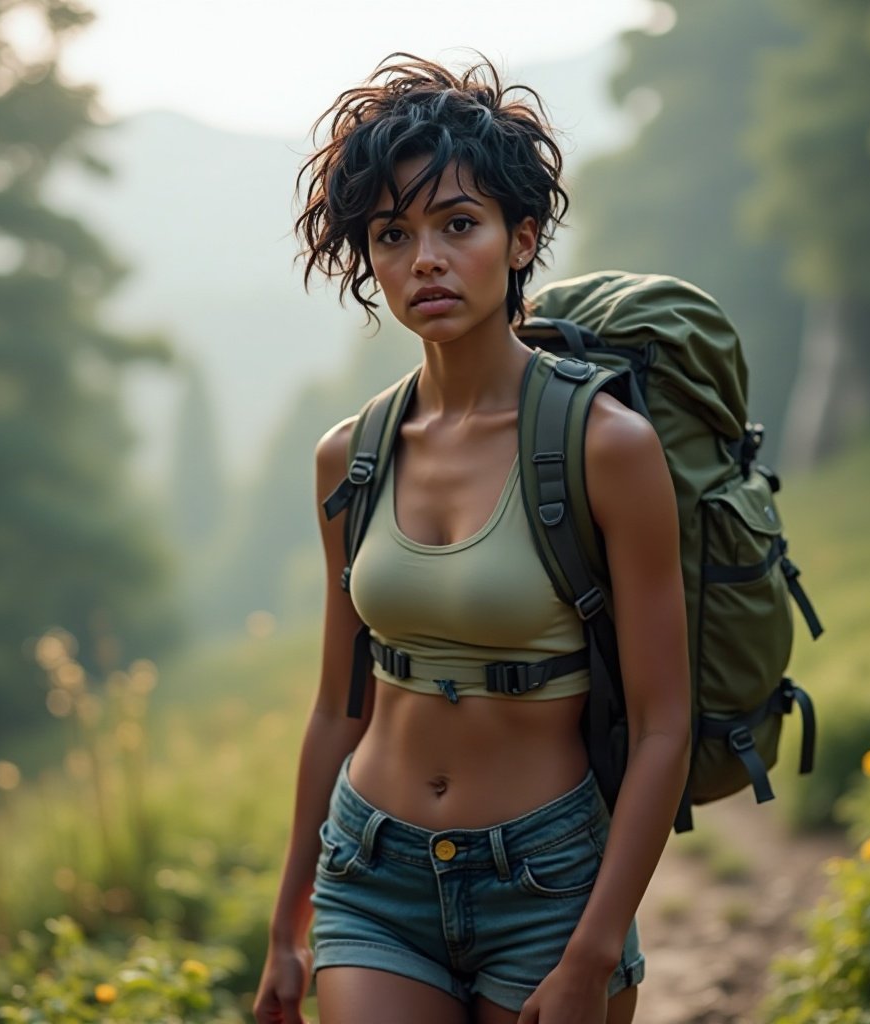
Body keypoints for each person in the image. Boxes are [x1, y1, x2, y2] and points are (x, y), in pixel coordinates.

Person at [254, 53, 691, 1024]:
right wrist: (287, 924)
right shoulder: (349, 458)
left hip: (547, 879)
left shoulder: (607, 446)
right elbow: (337, 707)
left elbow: (665, 722)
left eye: (458, 224)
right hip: (372, 872)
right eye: (392, 234)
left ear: (520, 236)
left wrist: (591, 953)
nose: (426, 259)